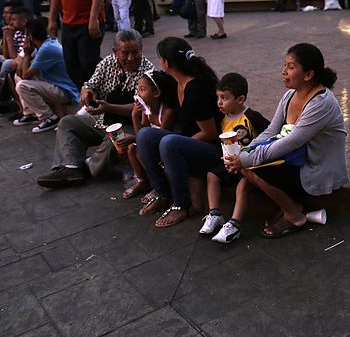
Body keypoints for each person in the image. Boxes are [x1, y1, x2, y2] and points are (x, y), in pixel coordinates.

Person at [223, 43, 348, 238]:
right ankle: (293, 206)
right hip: (295, 159)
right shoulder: (290, 95)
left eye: (290, 67)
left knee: (250, 166)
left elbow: (291, 142)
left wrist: (245, 159)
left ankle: (294, 215)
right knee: (248, 164)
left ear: (308, 75)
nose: (283, 72)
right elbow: (271, 131)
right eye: (285, 65)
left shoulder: (321, 103)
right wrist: (244, 153)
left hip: (315, 167)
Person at [35, 29, 154, 188]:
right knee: (68, 123)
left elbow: (140, 108)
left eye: (135, 52)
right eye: (125, 53)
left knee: (114, 144)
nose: (131, 58)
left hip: (132, 126)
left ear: (141, 49)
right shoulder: (107, 63)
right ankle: (71, 167)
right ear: (115, 52)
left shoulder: (148, 72)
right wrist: (86, 92)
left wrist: (109, 108)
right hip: (104, 120)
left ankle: (90, 166)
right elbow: (90, 84)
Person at [136, 37, 222, 227]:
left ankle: (182, 204)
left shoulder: (196, 89)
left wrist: (179, 145)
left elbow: (210, 133)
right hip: (189, 141)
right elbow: (147, 94)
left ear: (166, 62)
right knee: (145, 136)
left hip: (214, 148)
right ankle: (162, 192)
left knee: (169, 143)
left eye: (161, 59)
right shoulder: (175, 82)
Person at [199, 73, 270, 243]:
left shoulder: (252, 117)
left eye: (224, 98)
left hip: (248, 166)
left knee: (243, 184)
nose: (219, 102)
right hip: (230, 164)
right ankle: (215, 214)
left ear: (240, 99)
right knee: (211, 176)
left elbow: (270, 134)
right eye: (218, 97)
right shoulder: (222, 120)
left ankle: (234, 224)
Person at [14, 17, 80, 133]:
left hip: (65, 91)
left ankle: (49, 117)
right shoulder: (43, 45)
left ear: (30, 37)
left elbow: (25, 75)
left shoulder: (47, 49)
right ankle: (30, 113)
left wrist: (27, 54)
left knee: (22, 85)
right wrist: (27, 55)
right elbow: (20, 71)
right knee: (18, 77)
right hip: (54, 84)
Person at [123, 70, 178, 199]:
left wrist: (132, 137)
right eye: (138, 90)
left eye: (142, 90)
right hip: (149, 144)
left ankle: (157, 186)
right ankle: (142, 181)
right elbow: (141, 133)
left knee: (139, 151)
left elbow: (160, 138)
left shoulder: (167, 113)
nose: (138, 94)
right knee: (131, 148)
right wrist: (134, 116)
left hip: (162, 147)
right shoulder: (146, 110)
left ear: (156, 93)